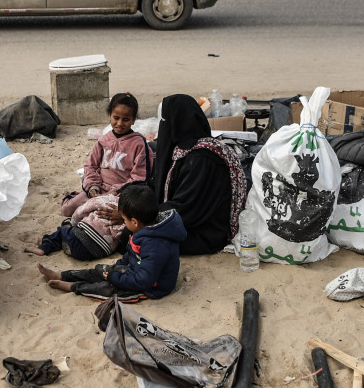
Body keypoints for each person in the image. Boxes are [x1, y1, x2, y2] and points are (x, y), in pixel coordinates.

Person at [24, 92, 152, 259]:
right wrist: (92, 187)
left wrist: (114, 193)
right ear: (109, 115)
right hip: (98, 189)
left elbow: (139, 178)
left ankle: (69, 234)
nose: (120, 123)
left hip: (119, 194)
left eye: (126, 119)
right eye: (116, 118)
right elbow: (90, 165)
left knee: (102, 216)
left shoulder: (139, 143)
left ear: (134, 120)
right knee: (68, 209)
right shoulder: (104, 140)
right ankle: (74, 213)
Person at [129, 94, 247, 255]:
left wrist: (138, 215)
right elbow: (156, 183)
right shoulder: (182, 151)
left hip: (204, 233)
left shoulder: (202, 158)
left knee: (132, 238)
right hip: (183, 221)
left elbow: (183, 208)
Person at [37, 184, 186, 301]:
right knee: (100, 271)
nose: (124, 222)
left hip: (151, 288)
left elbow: (143, 281)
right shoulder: (144, 229)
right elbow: (133, 254)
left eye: (124, 219)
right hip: (136, 271)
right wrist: (119, 266)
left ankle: (74, 287)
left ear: (134, 221)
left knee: (106, 289)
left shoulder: (156, 245)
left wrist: (115, 277)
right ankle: (62, 275)